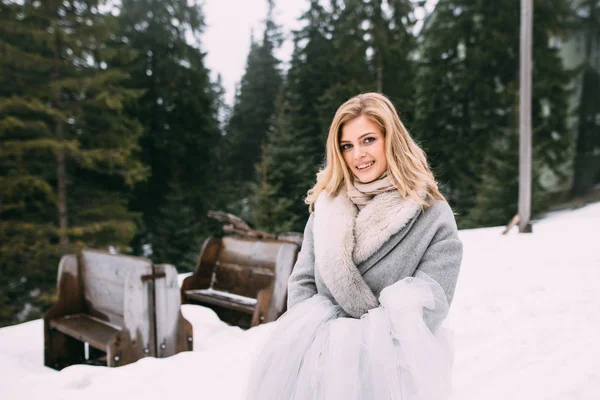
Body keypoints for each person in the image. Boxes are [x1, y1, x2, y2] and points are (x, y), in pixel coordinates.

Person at [246, 93, 463, 400]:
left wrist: (360, 348)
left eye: (368, 140)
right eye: (347, 146)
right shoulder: (327, 206)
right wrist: (322, 348)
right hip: (318, 370)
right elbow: (303, 284)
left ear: (392, 140)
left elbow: (433, 303)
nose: (357, 154)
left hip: (393, 374)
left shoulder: (431, 214)